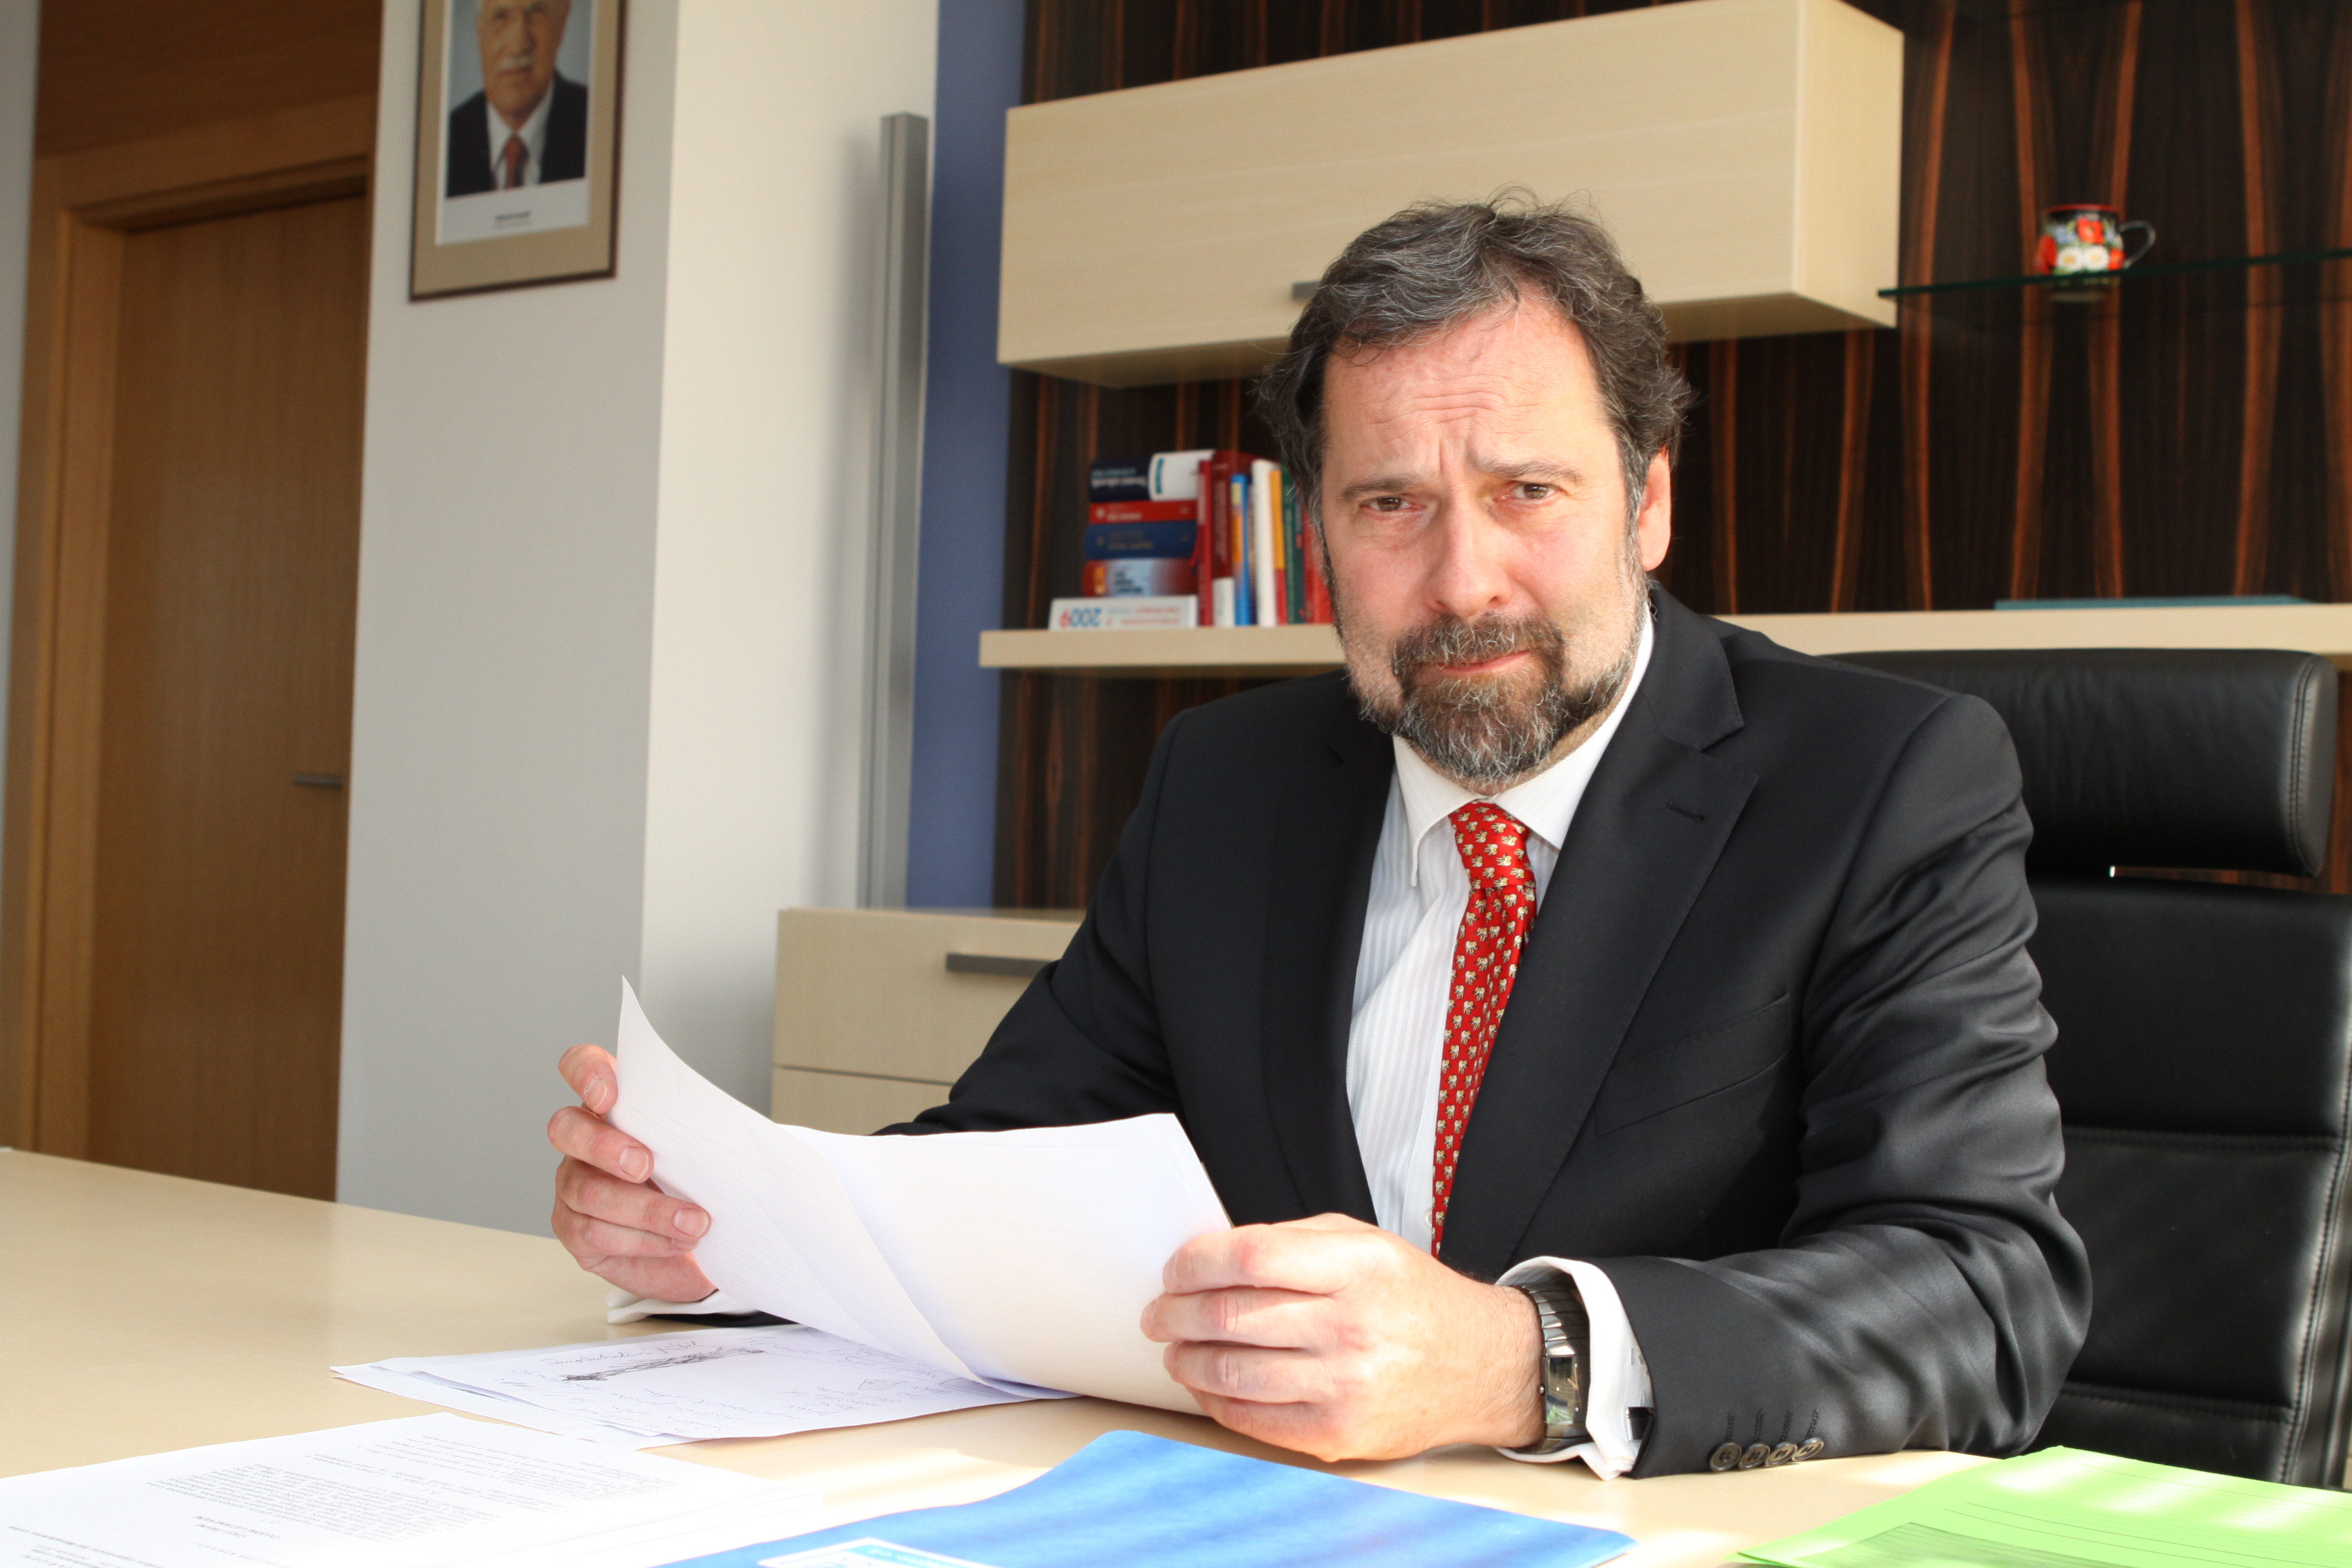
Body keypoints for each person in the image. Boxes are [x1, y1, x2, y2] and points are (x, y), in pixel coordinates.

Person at [546, 198, 2090, 1478]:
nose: (1462, 579)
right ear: (1317, 538)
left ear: (1647, 505)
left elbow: (1982, 1292)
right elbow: (1000, 1164)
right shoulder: (1226, 782)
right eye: (1389, 504)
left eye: (1527, 489)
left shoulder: (1878, 783)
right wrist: (733, 1242)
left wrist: (1522, 1360)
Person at [445, 0, 587, 197]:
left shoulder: (597, 125)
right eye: (500, 17)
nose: (518, 45)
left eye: (535, 15)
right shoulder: (445, 142)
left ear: (561, 24)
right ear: (480, 32)